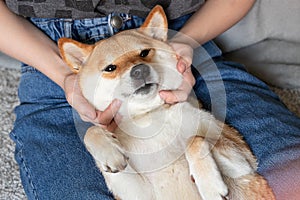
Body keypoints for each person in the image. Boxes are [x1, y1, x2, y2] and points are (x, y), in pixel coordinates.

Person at [0, 0, 299, 199]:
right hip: (53, 63)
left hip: (174, 47)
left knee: (290, 176)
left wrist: (183, 44)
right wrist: (66, 74)